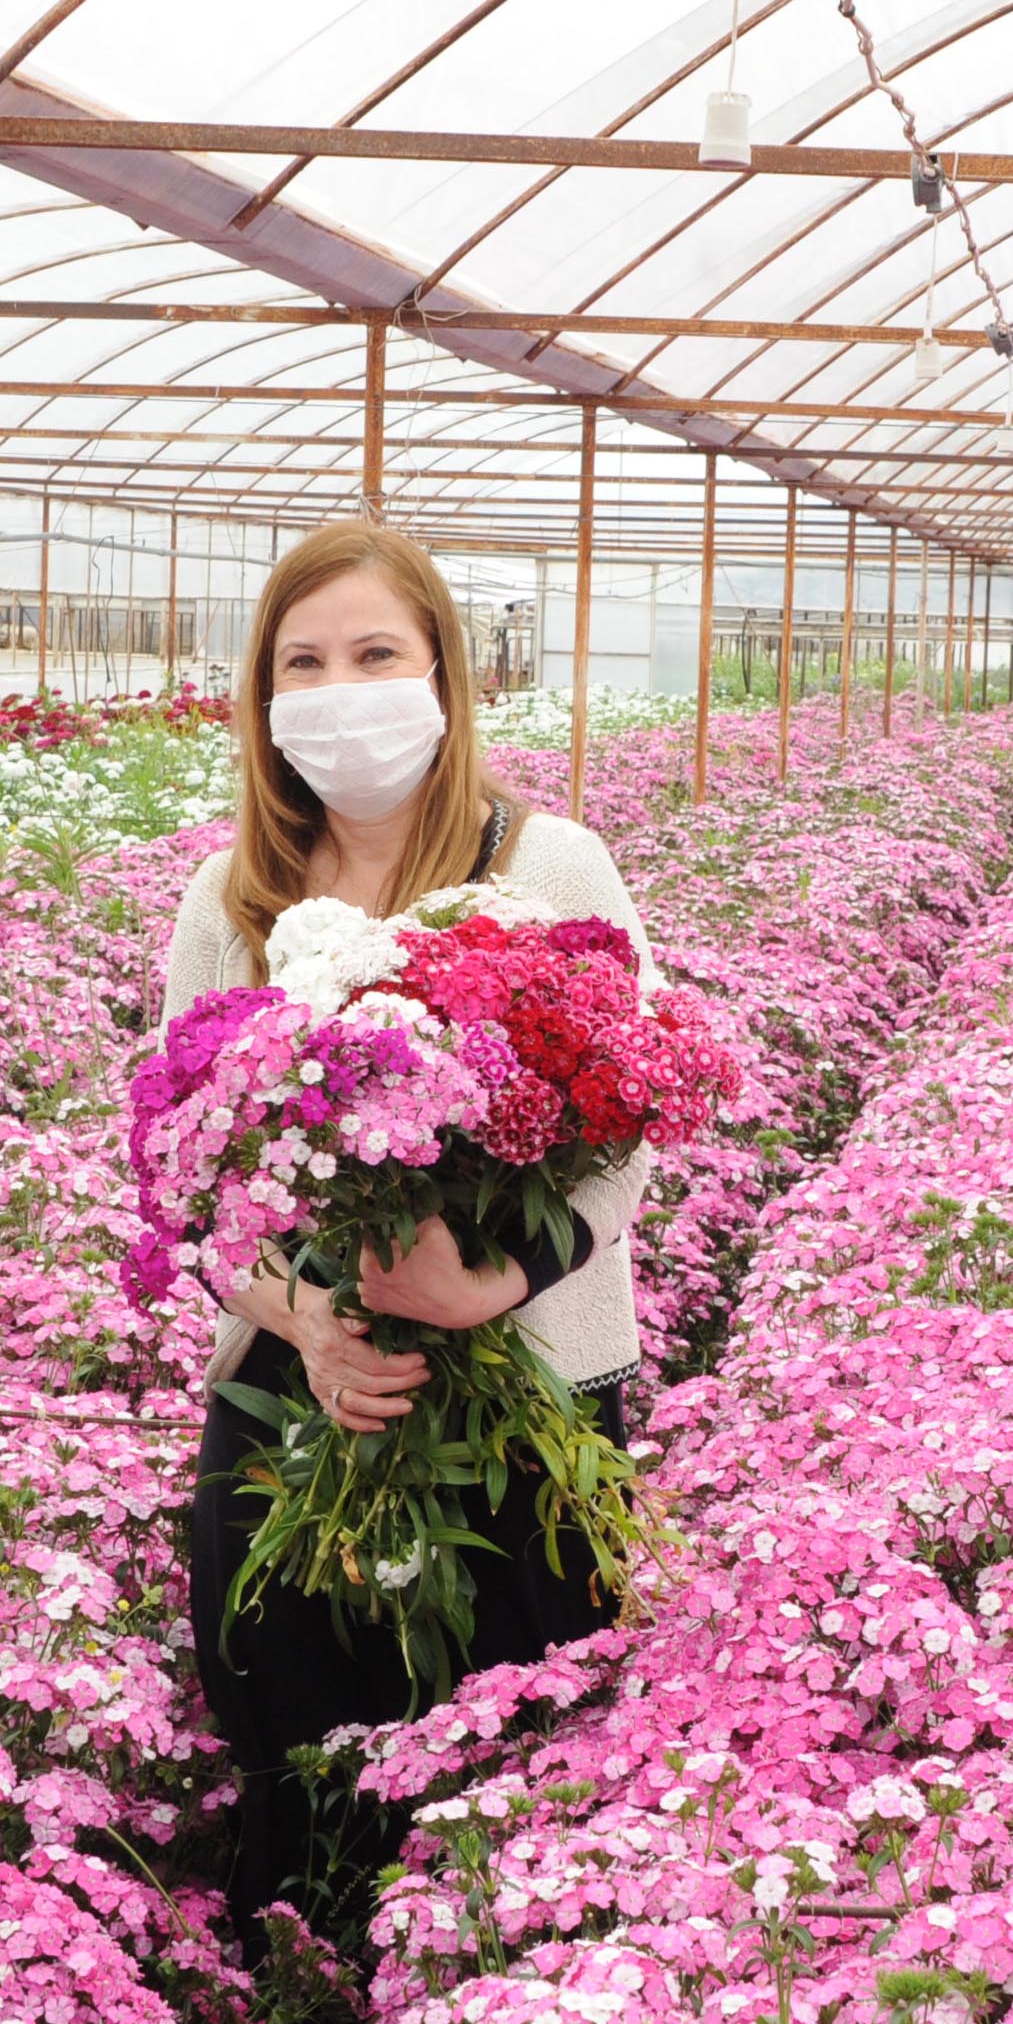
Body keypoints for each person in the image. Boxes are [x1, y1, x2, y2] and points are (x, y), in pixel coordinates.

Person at [155, 521, 658, 1933]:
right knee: (304, 1786)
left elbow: (630, 1143)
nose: (339, 689)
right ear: (262, 701)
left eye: (375, 653)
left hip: (527, 1404)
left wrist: (487, 1282)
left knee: (513, 1799)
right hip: (291, 1411)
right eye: (301, 663)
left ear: (445, 672)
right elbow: (184, 1175)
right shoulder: (231, 899)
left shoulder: (551, 868)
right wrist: (306, 1323)